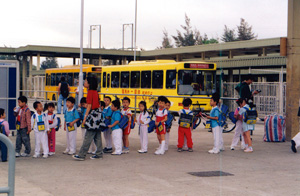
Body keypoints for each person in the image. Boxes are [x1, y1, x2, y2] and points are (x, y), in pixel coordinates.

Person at [73, 77, 104, 160]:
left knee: (88, 136)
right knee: (97, 136)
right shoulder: (95, 92)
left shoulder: (90, 92)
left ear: (89, 83)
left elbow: (89, 106)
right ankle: (99, 153)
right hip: (97, 115)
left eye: (86, 81)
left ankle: (82, 154)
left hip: (92, 116)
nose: (84, 82)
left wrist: (85, 117)